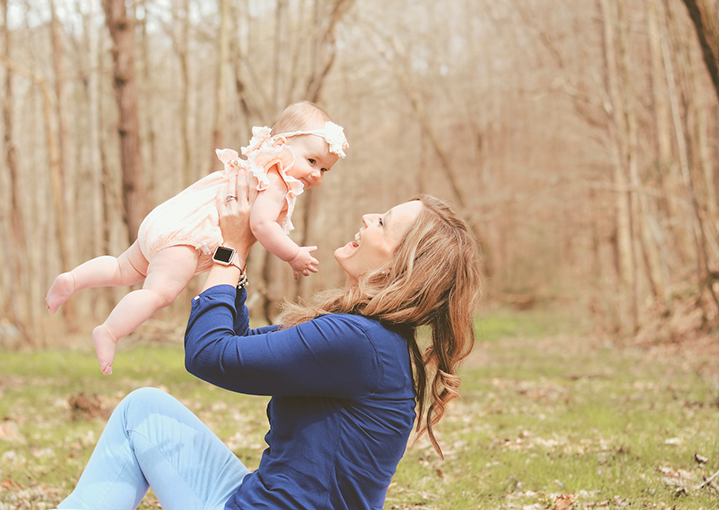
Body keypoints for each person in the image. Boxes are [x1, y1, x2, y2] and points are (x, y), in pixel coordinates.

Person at [52, 168, 483, 510]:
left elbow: (209, 354)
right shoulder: (370, 340)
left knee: (138, 414)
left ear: (401, 264)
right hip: (255, 497)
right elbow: (239, 344)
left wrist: (229, 249)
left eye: (383, 223)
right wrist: (238, 252)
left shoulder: (359, 342)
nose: (369, 218)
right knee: (143, 407)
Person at [45, 101, 349, 375]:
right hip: (187, 238)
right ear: (282, 145)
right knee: (158, 294)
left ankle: (73, 279)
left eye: (325, 169)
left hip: (169, 218)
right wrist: (292, 254)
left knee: (122, 267)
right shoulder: (276, 181)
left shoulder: (257, 163)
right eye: (312, 161)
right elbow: (261, 225)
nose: (317, 174)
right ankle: (110, 332)